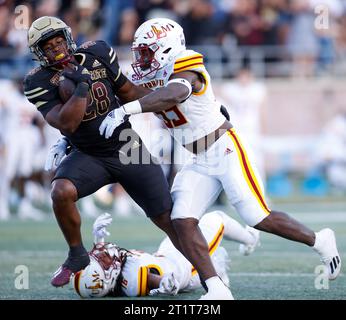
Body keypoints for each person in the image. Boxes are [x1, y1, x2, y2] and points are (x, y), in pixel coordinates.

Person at [97, 18, 341, 299]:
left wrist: (128, 110)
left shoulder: (188, 65)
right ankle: (216, 287)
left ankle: (319, 239)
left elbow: (175, 93)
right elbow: (133, 90)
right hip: (197, 159)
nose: (142, 60)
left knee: (258, 217)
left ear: (166, 49)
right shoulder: (154, 73)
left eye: (147, 52)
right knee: (182, 220)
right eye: (140, 53)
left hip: (225, 149)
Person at [23, 16, 182, 288]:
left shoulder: (97, 52)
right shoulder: (37, 81)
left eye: (60, 41)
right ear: (39, 53)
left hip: (125, 144)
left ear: (69, 38)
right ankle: (76, 255)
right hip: (88, 153)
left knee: (165, 216)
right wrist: (81, 88)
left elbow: (129, 91)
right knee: (61, 191)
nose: (57, 49)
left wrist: (174, 106)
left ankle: (205, 271)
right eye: (48, 47)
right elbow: (68, 122)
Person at [73, 211, 260, 298]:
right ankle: (250, 240)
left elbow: (101, 273)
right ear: (107, 278)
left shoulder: (111, 280)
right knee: (217, 219)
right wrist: (165, 284)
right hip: (187, 265)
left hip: (168, 254)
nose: (103, 255)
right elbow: (158, 281)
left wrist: (98, 239)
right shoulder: (131, 279)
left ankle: (220, 271)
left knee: (190, 225)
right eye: (103, 261)